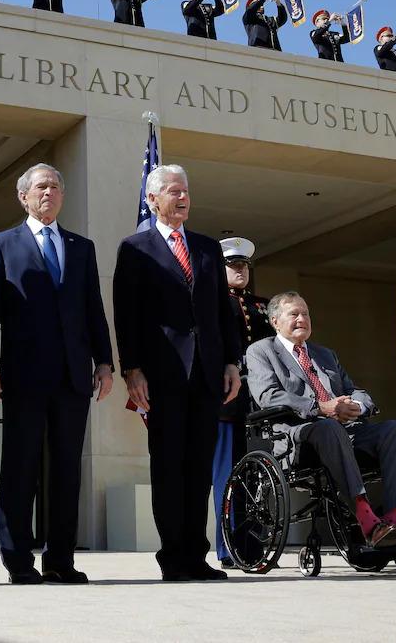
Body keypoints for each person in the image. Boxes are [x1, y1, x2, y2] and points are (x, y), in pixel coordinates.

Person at [0, 164, 114, 585]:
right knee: (20, 467)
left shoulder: (81, 247)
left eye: (55, 186)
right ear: (24, 196)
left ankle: (60, 560)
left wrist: (104, 362)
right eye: (41, 186)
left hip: (73, 377)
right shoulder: (1, 244)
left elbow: (93, 309)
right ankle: (18, 561)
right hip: (24, 376)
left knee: (66, 471)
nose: (49, 192)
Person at [112, 164, 242, 582]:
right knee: (168, 467)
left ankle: (196, 555)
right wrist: (131, 368)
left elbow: (224, 312)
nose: (182, 197)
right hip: (162, 375)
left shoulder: (206, 248)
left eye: (185, 190)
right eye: (172, 191)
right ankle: (173, 557)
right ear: (152, 200)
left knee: (199, 468)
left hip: (206, 375)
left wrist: (232, 362)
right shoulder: (136, 248)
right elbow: (126, 315)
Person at [247, 292, 396, 551]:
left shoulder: (325, 355)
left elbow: (354, 390)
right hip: (299, 436)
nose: (302, 318)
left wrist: (356, 406)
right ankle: (367, 520)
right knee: (328, 427)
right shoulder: (261, 351)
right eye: (294, 314)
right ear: (275, 321)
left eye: (305, 313)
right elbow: (268, 396)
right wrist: (320, 408)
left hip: (347, 430)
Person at [211, 237, 273, 567]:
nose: (240, 271)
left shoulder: (262, 306)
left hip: (258, 403)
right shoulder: (213, 303)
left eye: (244, 266)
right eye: (233, 265)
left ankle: (253, 545)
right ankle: (228, 547)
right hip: (227, 403)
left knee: (256, 478)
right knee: (227, 475)